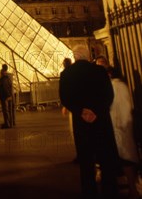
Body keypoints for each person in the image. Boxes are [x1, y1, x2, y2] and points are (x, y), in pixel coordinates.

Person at [59, 45, 120, 198]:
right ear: (88, 55)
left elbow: (65, 97)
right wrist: (97, 111)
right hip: (101, 122)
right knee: (106, 160)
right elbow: (109, 95)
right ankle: (110, 191)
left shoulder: (67, 73)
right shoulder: (99, 71)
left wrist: (81, 110)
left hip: (82, 123)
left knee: (86, 163)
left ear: (75, 56)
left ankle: (89, 192)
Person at [108, 66, 141, 199]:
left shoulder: (113, 87)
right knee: (127, 159)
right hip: (126, 126)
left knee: (124, 160)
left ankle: (132, 189)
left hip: (119, 127)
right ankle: (133, 187)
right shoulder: (123, 85)